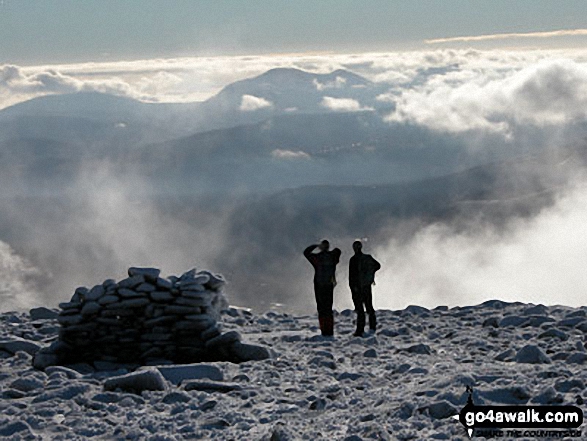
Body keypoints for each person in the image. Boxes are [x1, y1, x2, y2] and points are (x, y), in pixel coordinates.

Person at [304, 240, 341, 336]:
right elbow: (338, 251)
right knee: (328, 308)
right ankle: (329, 330)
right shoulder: (332, 257)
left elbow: (306, 252)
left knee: (321, 309)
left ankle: (324, 330)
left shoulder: (317, 258)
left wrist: (316, 245)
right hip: (328, 284)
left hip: (319, 285)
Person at [349, 240, 381, 337]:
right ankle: (372, 327)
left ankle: (360, 330)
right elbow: (377, 266)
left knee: (360, 309)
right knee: (369, 307)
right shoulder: (367, 258)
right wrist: (370, 275)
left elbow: (351, 276)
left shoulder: (354, 259)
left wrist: (352, 287)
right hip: (366, 286)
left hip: (357, 287)